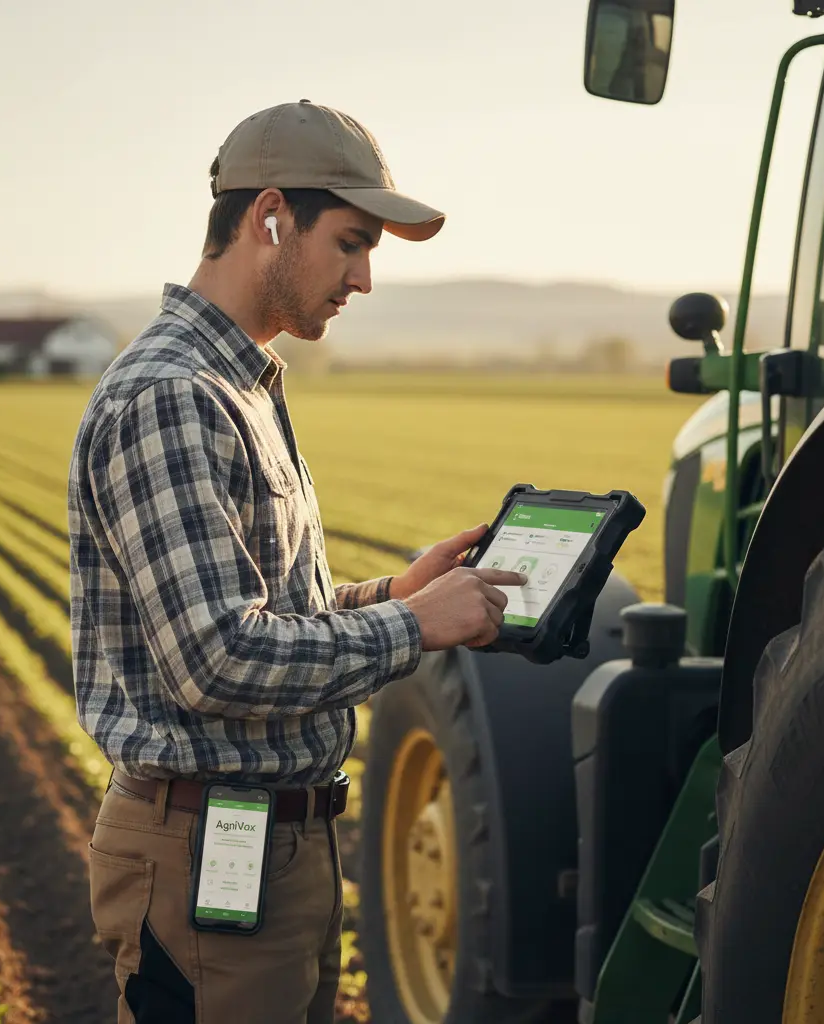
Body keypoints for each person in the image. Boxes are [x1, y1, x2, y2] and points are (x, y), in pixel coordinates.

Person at [67, 99, 527, 1024]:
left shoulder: (240, 383)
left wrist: (394, 593)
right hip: (205, 852)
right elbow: (217, 659)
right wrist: (415, 625)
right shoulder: (172, 394)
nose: (362, 280)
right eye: (350, 243)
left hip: (272, 852)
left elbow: (266, 610)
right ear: (271, 215)